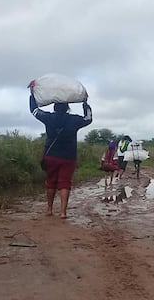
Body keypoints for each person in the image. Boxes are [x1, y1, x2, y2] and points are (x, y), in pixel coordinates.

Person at [29, 81, 92, 219]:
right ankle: (63, 213)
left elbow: (34, 110)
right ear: (67, 108)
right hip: (69, 157)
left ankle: (49, 209)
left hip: (51, 155)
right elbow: (88, 119)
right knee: (65, 183)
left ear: (54, 107)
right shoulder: (74, 120)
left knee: (51, 181)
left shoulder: (48, 118)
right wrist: (85, 103)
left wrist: (32, 94)